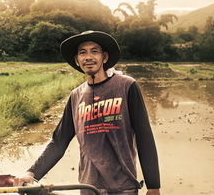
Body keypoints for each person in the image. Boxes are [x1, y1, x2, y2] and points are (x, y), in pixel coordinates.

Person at [15, 30, 160, 195]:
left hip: (123, 187)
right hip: (87, 187)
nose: (88, 57)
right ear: (77, 61)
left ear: (104, 57)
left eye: (94, 51)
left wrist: (153, 185)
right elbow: (59, 142)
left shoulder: (126, 86)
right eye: (82, 53)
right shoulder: (76, 96)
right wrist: (31, 173)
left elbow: (144, 136)